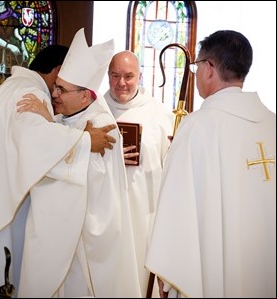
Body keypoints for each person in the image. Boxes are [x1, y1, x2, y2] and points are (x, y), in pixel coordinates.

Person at [0, 44, 118, 298]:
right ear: (59, 70)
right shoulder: (31, 93)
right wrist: (86, 141)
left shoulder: (3, 91)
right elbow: (37, 145)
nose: (56, 94)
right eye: (59, 86)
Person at [145, 30, 276, 298]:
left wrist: (168, 275)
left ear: (209, 68)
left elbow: (176, 207)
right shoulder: (272, 125)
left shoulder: (196, 127)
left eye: (196, 66)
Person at [16, 28, 142, 297]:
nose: (54, 93)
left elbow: (80, 179)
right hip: (62, 235)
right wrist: (52, 126)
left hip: (84, 242)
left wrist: (54, 130)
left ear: (85, 96)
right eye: (56, 86)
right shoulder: (64, 118)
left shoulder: (102, 126)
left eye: (62, 89)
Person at [103, 50, 174, 296]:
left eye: (128, 76)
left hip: (145, 213)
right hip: (106, 215)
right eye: (115, 76)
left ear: (140, 76)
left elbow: (170, 168)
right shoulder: (95, 112)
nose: (121, 83)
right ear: (108, 76)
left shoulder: (161, 115)